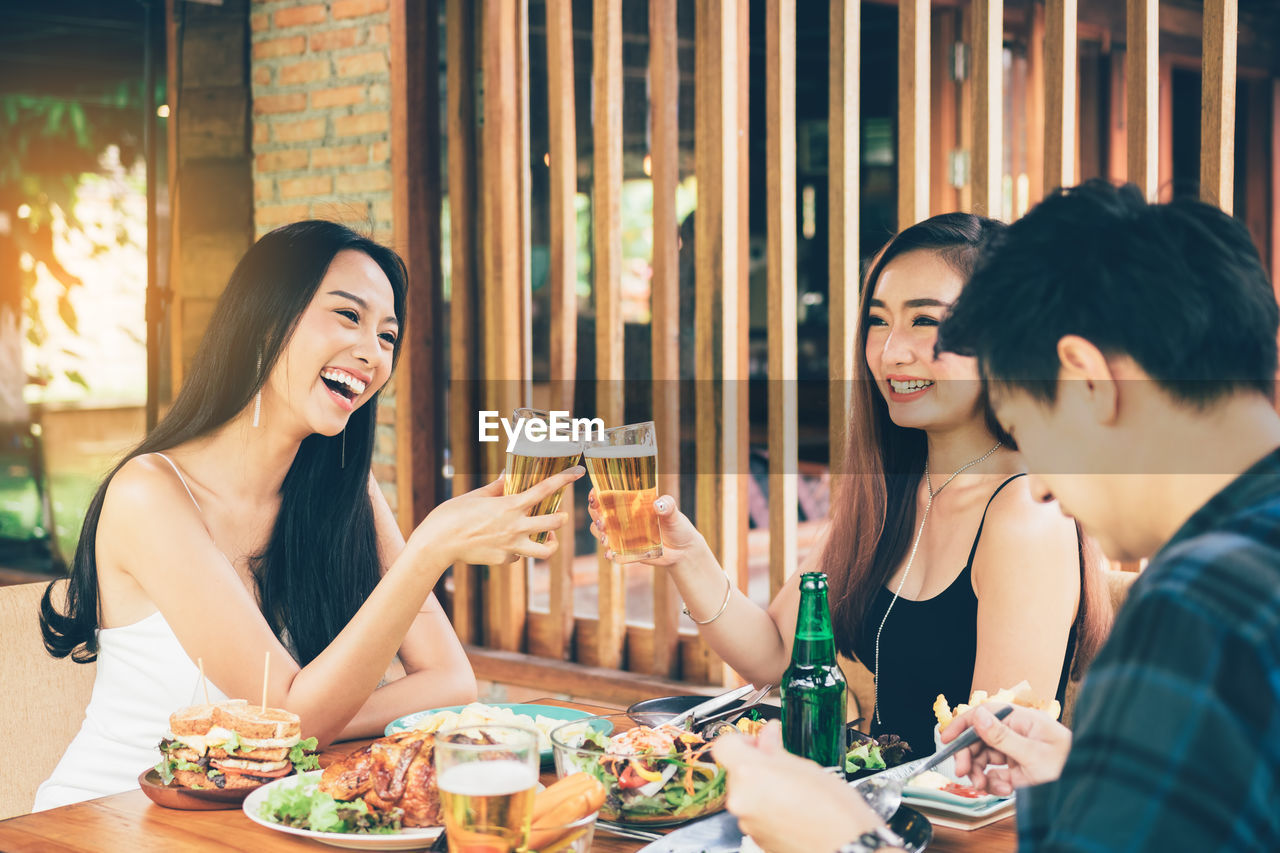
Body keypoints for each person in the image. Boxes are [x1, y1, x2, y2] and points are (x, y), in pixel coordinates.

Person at [714, 180, 1280, 851]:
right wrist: (1081, 772)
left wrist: (846, 841)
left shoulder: (1198, 602)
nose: (1042, 490)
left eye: (1023, 422)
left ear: (1087, 380)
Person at [34, 221, 581, 810]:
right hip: (106, 822)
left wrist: (304, 725)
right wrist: (430, 550)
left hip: (252, 822)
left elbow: (451, 683)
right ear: (267, 321)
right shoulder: (150, 494)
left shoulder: (343, 492)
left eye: (388, 335)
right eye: (348, 316)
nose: (372, 352)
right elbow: (293, 713)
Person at [590, 213, 1108, 753]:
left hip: (949, 829)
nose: (891, 352)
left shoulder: (1026, 511)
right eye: (879, 322)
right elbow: (773, 654)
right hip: (871, 809)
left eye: (926, 322)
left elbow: (990, 762)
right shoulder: (895, 491)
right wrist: (688, 556)